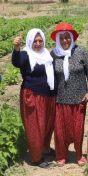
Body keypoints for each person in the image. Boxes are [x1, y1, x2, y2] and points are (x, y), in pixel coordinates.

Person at [51, 23, 88, 166]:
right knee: (61, 130)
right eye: (61, 38)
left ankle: (79, 154)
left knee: (77, 129)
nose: (64, 41)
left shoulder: (81, 51)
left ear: (72, 38)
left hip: (78, 98)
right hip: (61, 98)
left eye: (67, 37)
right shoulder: (53, 54)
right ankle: (62, 155)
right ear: (57, 39)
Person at [13, 29, 56, 168]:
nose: (38, 44)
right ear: (30, 41)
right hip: (33, 95)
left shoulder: (47, 55)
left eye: (40, 41)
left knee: (47, 125)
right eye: (35, 41)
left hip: (48, 95)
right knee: (35, 127)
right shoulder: (26, 54)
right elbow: (17, 62)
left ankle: (45, 148)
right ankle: (36, 158)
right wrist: (16, 48)